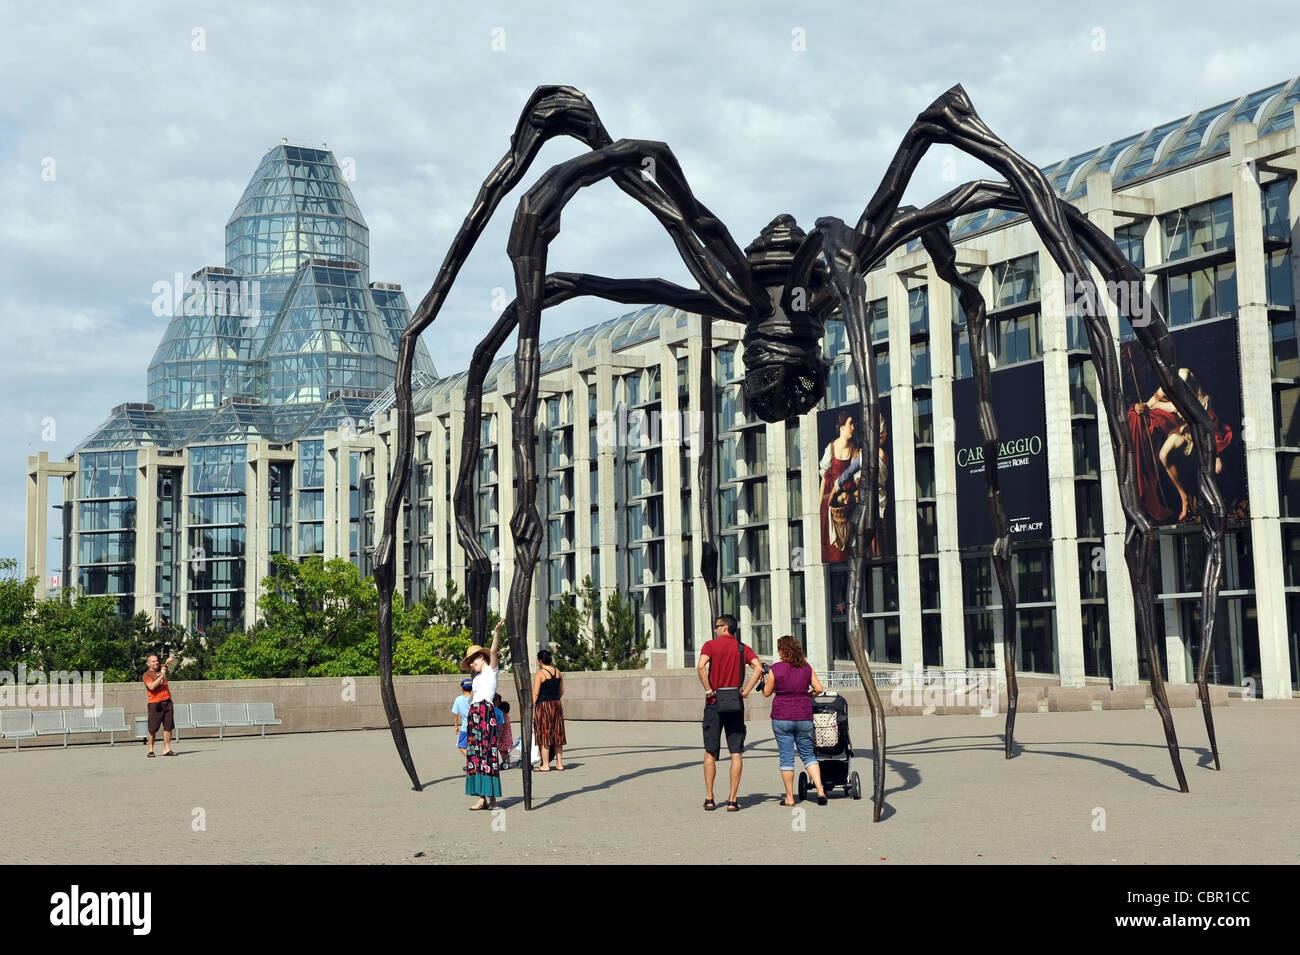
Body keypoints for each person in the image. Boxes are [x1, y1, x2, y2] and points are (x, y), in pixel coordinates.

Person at [1127, 367, 1232, 521]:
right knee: (1164, 455)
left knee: (1217, 469)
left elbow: (1180, 406)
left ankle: (1217, 506)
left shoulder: (1187, 377)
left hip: (1207, 433)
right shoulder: (1169, 386)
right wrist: (1139, 407)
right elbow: (1151, 404)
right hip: (1188, 430)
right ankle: (1184, 497)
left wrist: (1163, 405)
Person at [696, 614, 764, 812]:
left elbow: (700, 667)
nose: (715, 630)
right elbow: (758, 668)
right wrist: (745, 691)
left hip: (714, 702)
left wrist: (709, 690)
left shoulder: (710, 645)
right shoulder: (743, 648)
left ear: (724, 628)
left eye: (716, 626)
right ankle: (733, 800)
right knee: (736, 752)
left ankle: (709, 798)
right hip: (735, 703)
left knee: (710, 751)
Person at [762, 634, 827, 806]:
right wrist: (807, 695)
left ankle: (790, 798)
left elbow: (767, 693)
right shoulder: (806, 667)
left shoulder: (776, 669)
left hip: (782, 716)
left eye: (779, 649)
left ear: (783, 650)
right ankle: (820, 790)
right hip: (804, 715)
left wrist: (765, 681)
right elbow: (819, 688)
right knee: (808, 754)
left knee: (786, 757)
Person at [460, 619, 504, 810]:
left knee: (488, 754)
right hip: (475, 715)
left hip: (486, 713)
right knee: (475, 755)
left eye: (473, 660)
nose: (471, 664)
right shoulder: (476, 678)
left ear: (482, 657)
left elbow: (494, 651)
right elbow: (472, 698)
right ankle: (481, 798)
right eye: (469, 662)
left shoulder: (491, 671)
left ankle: (492, 798)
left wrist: (496, 633)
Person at [819, 411, 861, 561]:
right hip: (829, 506)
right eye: (850, 424)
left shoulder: (854, 449)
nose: (853, 428)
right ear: (842, 427)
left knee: (846, 547)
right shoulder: (831, 448)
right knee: (828, 549)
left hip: (846, 504)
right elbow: (824, 479)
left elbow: (857, 479)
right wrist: (818, 506)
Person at [531, 648, 566, 771]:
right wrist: (555, 699)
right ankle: (560, 763)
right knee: (558, 734)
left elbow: (535, 693)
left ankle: (545, 764)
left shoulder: (540, 673)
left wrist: (531, 707)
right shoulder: (558, 672)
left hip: (543, 706)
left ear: (540, 661)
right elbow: (562, 690)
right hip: (556, 704)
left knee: (544, 734)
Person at [142, 653, 175, 757]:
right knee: (152, 729)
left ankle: (167, 749)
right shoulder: (147, 675)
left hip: (167, 702)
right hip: (155, 704)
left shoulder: (162, 668)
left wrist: (171, 660)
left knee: (168, 727)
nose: (156, 662)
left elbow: (173, 665)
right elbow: (151, 687)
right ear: (148, 664)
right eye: (153, 661)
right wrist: (161, 675)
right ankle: (151, 750)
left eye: (157, 660)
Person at [452, 678, 473, 760]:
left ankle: (472, 760)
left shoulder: (458, 699)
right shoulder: (475, 698)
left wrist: (456, 726)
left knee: (461, 745)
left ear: (462, 688)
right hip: (476, 726)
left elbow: (455, 714)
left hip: (465, 727)